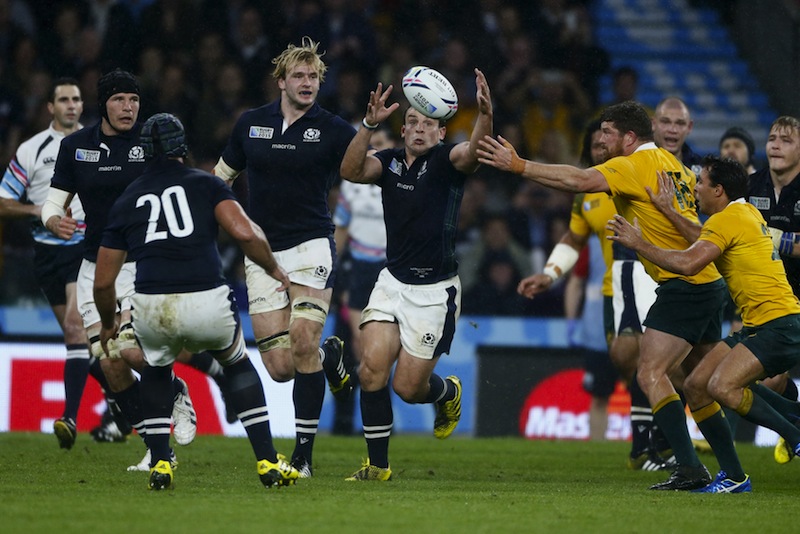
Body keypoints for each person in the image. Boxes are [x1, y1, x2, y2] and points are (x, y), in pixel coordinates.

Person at [477, 100, 727, 491]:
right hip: (697, 279)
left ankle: (684, 462)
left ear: (629, 137)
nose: (600, 137)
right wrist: (550, 273)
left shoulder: (630, 167)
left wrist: (519, 165)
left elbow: (576, 180)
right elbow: (576, 231)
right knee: (698, 379)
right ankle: (734, 462)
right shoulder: (673, 166)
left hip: (676, 281)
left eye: (608, 132)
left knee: (650, 368)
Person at [94, 112, 300, 490]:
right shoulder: (206, 185)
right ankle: (268, 462)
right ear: (182, 148)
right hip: (207, 298)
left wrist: (109, 322)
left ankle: (160, 463)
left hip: (152, 304)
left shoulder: (128, 198)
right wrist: (273, 268)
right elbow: (244, 232)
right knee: (237, 365)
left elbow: (104, 281)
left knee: (157, 369)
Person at [608, 155, 800, 493]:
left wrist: (638, 243)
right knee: (696, 385)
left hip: (778, 325)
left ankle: (795, 435)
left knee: (723, 387)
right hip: (764, 325)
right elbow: (704, 237)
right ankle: (734, 477)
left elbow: (688, 262)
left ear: (719, 190)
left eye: (702, 182)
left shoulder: (728, 219)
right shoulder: (744, 214)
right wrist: (669, 211)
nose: (695, 188)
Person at [338, 67, 493, 481]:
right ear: (403, 129)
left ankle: (447, 391)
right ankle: (378, 465)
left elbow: (474, 152)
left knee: (408, 389)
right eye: (412, 122)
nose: (420, 129)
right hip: (392, 282)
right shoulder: (387, 163)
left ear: (441, 133)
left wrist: (485, 117)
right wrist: (369, 124)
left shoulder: (447, 161)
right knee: (370, 369)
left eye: (429, 124)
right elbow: (350, 171)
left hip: (435, 292)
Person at [41, 69, 196, 469]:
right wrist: (52, 220)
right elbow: (53, 203)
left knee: (130, 351)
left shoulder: (153, 141)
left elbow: (183, 188)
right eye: (119, 100)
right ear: (103, 104)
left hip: (144, 265)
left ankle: (175, 387)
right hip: (96, 267)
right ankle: (158, 449)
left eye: (134, 99)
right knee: (110, 364)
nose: (128, 108)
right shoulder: (76, 147)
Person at [213, 37, 354, 478]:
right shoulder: (251, 124)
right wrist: (230, 225)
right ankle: (332, 360)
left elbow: (362, 167)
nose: (308, 82)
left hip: (312, 246)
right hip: (262, 253)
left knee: (302, 341)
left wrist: (370, 128)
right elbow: (221, 178)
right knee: (278, 368)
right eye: (299, 75)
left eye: (314, 76)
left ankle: (304, 456)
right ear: (281, 81)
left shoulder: (332, 128)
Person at [0, 77, 99, 449]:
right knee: (82, 341)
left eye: (76, 99)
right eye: (64, 100)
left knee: (75, 329)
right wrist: (39, 210)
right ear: (50, 107)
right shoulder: (32, 150)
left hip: (85, 248)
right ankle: (129, 402)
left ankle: (70, 417)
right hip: (46, 254)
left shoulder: (95, 144)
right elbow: (3, 201)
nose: (72, 105)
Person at [517, 119, 622, 443]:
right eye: (595, 146)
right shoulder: (585, 197)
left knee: (651, 379)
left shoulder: (638, 179)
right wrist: (550, 274)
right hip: (606, 304)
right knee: (603, 391)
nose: (601, 150)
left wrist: (519, 165)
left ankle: (660, 451)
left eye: (607, 143)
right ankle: (606, 456)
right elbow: (574, 241)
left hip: (646, 297)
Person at [331, 126, 394, 434]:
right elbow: (340, 231)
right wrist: (328, 271)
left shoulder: (399, 180)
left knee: (388, 348)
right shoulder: (352, 186)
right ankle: (350, 419)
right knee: (360, 347)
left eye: (381, 143)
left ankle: (384, 417)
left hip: (392, 270)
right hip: (357, 272)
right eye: (370, 143)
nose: (375, 148)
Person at [652, 97, 703, 175]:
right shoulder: (636, 163)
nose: (673, 130)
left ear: (689, 127)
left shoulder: (702, 169)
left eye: (680, 123)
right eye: (665, 122)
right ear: (653, 124)